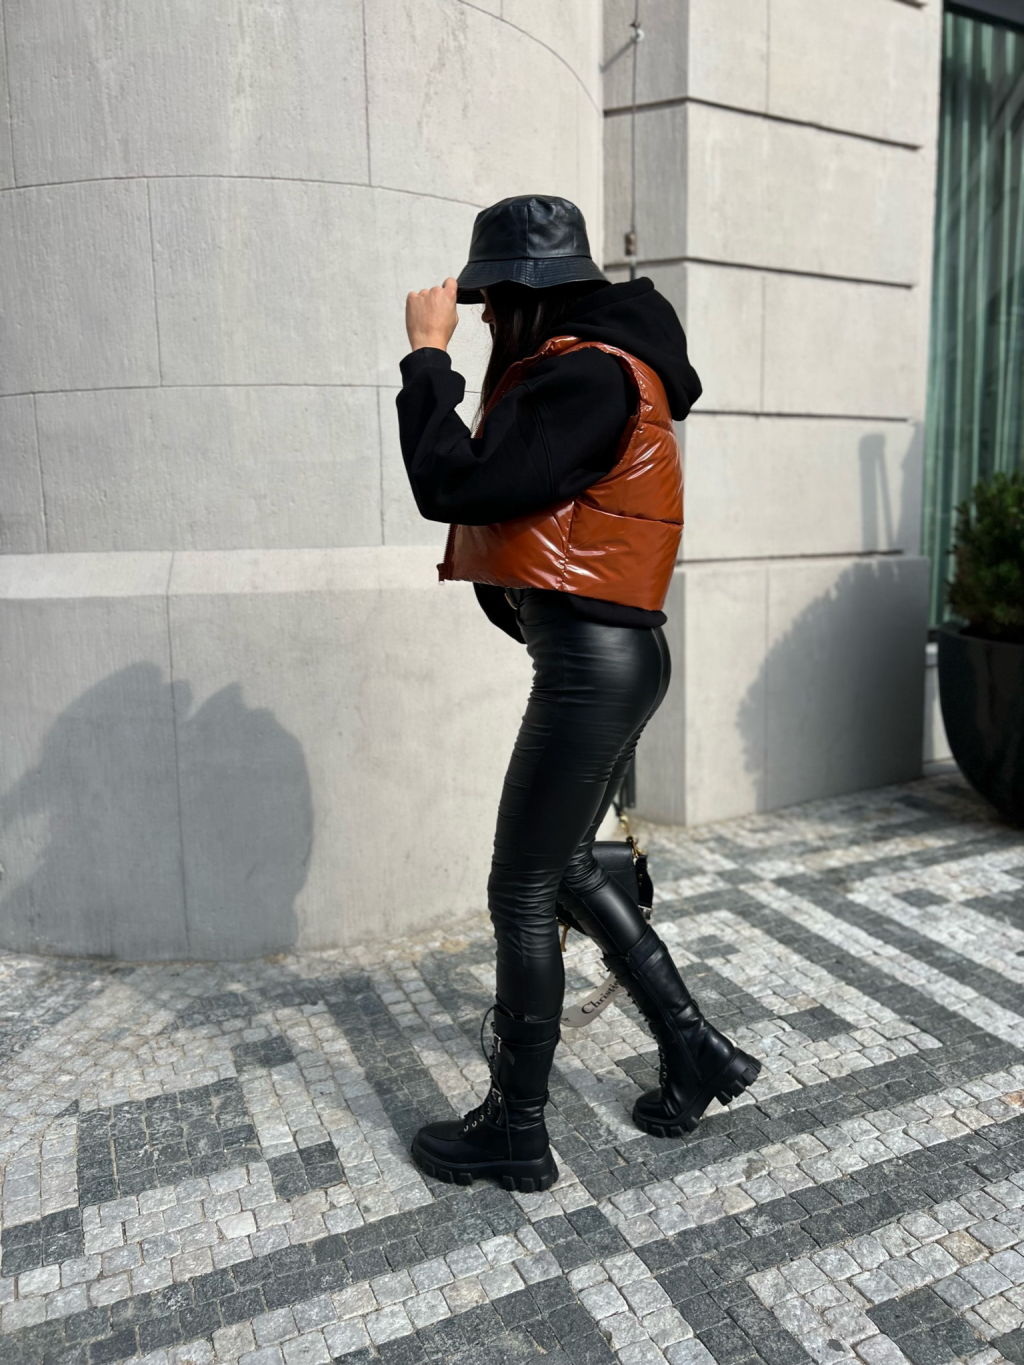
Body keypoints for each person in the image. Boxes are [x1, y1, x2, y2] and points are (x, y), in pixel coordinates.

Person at [395, 195, 760, 1193]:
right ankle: (696, 1050)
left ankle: (515, 1130)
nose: (483, 325)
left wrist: (426, 359)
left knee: (518, 890)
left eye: (489, 309)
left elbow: (452, 483)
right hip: (608, 660)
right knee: (563, 872)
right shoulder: (601, 368)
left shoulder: (586, 375)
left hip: (591, 669)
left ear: (520, 297)